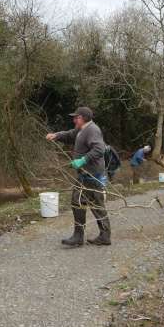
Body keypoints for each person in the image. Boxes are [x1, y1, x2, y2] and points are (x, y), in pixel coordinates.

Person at [45, 106, 111, 247]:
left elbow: (99, 149)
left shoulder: (92, 130)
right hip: (86, 175)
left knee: (87, 203)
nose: (74, 119)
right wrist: (56, 135)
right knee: (84, 203)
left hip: (92, 175)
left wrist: (83, 160)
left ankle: (83, 236)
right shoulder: (82, 130)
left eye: (76, 117)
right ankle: (94, 236)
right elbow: (70, 135)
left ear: (83, 118)